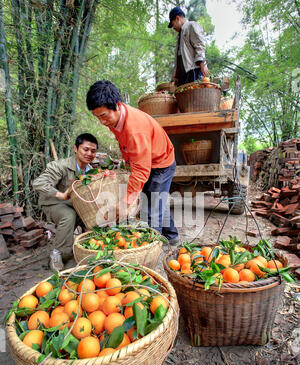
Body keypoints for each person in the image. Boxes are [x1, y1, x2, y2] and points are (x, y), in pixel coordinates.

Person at [86, 80, 179, 245]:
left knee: (150, 210)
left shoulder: (135, 129)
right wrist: (126, 163)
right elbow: (127, 147)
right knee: (156, 200)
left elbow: (142, 170)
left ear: (117, 104)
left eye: (103, 116)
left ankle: (150, 250)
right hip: (149, 158)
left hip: (161, 162)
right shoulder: (116, 119)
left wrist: (125, 202)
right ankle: (172, 236)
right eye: (97, 117)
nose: (102, 122)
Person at [33, 133, 98, 271]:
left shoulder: (91, 172)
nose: (89, 154)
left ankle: (88, 249)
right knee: (69, 215)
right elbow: (38, 183)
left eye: (93, 151)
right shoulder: (60, 166)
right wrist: (60, 195)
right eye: (85, 149)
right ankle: (57, 253)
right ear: (75, 148)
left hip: (73, 203)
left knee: (93, 216)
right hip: (52, 202)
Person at [168, 6, 210, 87]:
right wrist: (176, 76)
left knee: (194, 96)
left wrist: (202, 63)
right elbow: (179, 57)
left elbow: (199, 45)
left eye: (173, 24)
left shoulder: (191, 26)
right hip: (183, 77)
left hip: (193, 71)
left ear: (177, 18)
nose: (173, 27)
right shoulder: (179, 35)